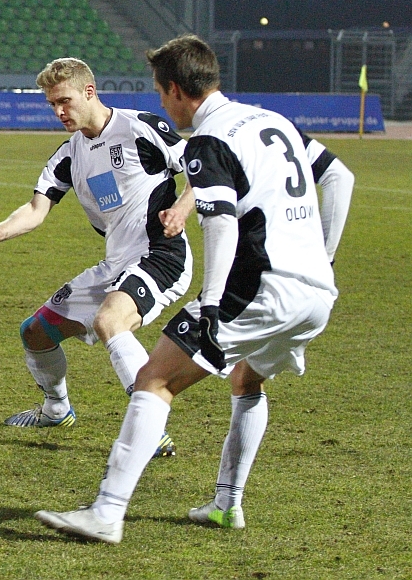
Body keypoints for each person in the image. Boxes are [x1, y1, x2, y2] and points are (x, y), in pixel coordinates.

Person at [35, 35, 339, 543]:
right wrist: (325, 258)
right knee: (246, 379)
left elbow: (219, 222)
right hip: (316, 295)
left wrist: (212, 302)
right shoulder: (271, 119)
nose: (161, 102)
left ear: (176, 89)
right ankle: (226, 505)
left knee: (154, 380)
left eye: (160, 91)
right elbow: (339, 178)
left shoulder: (209, 138)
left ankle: (107, 512)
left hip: (260, 289)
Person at [0, 57, 194, 458]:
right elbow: (36, 208)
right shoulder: (69, 154)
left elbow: (200, 169)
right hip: (116, 263)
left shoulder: (139, 127)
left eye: (64, 101)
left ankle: (149, 428)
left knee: (110, 321)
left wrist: (182, 209)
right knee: (36, 332)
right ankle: (57, 410)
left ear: (89, 92)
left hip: (161, 254)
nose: (58, 111)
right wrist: (1, 230)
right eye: (52, 104)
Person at [294, 126, 354, 264]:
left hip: (254, 253)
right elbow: (340, 176)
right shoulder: (283, 125)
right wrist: (325, 259)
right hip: (295, 251)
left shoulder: (244, 132)